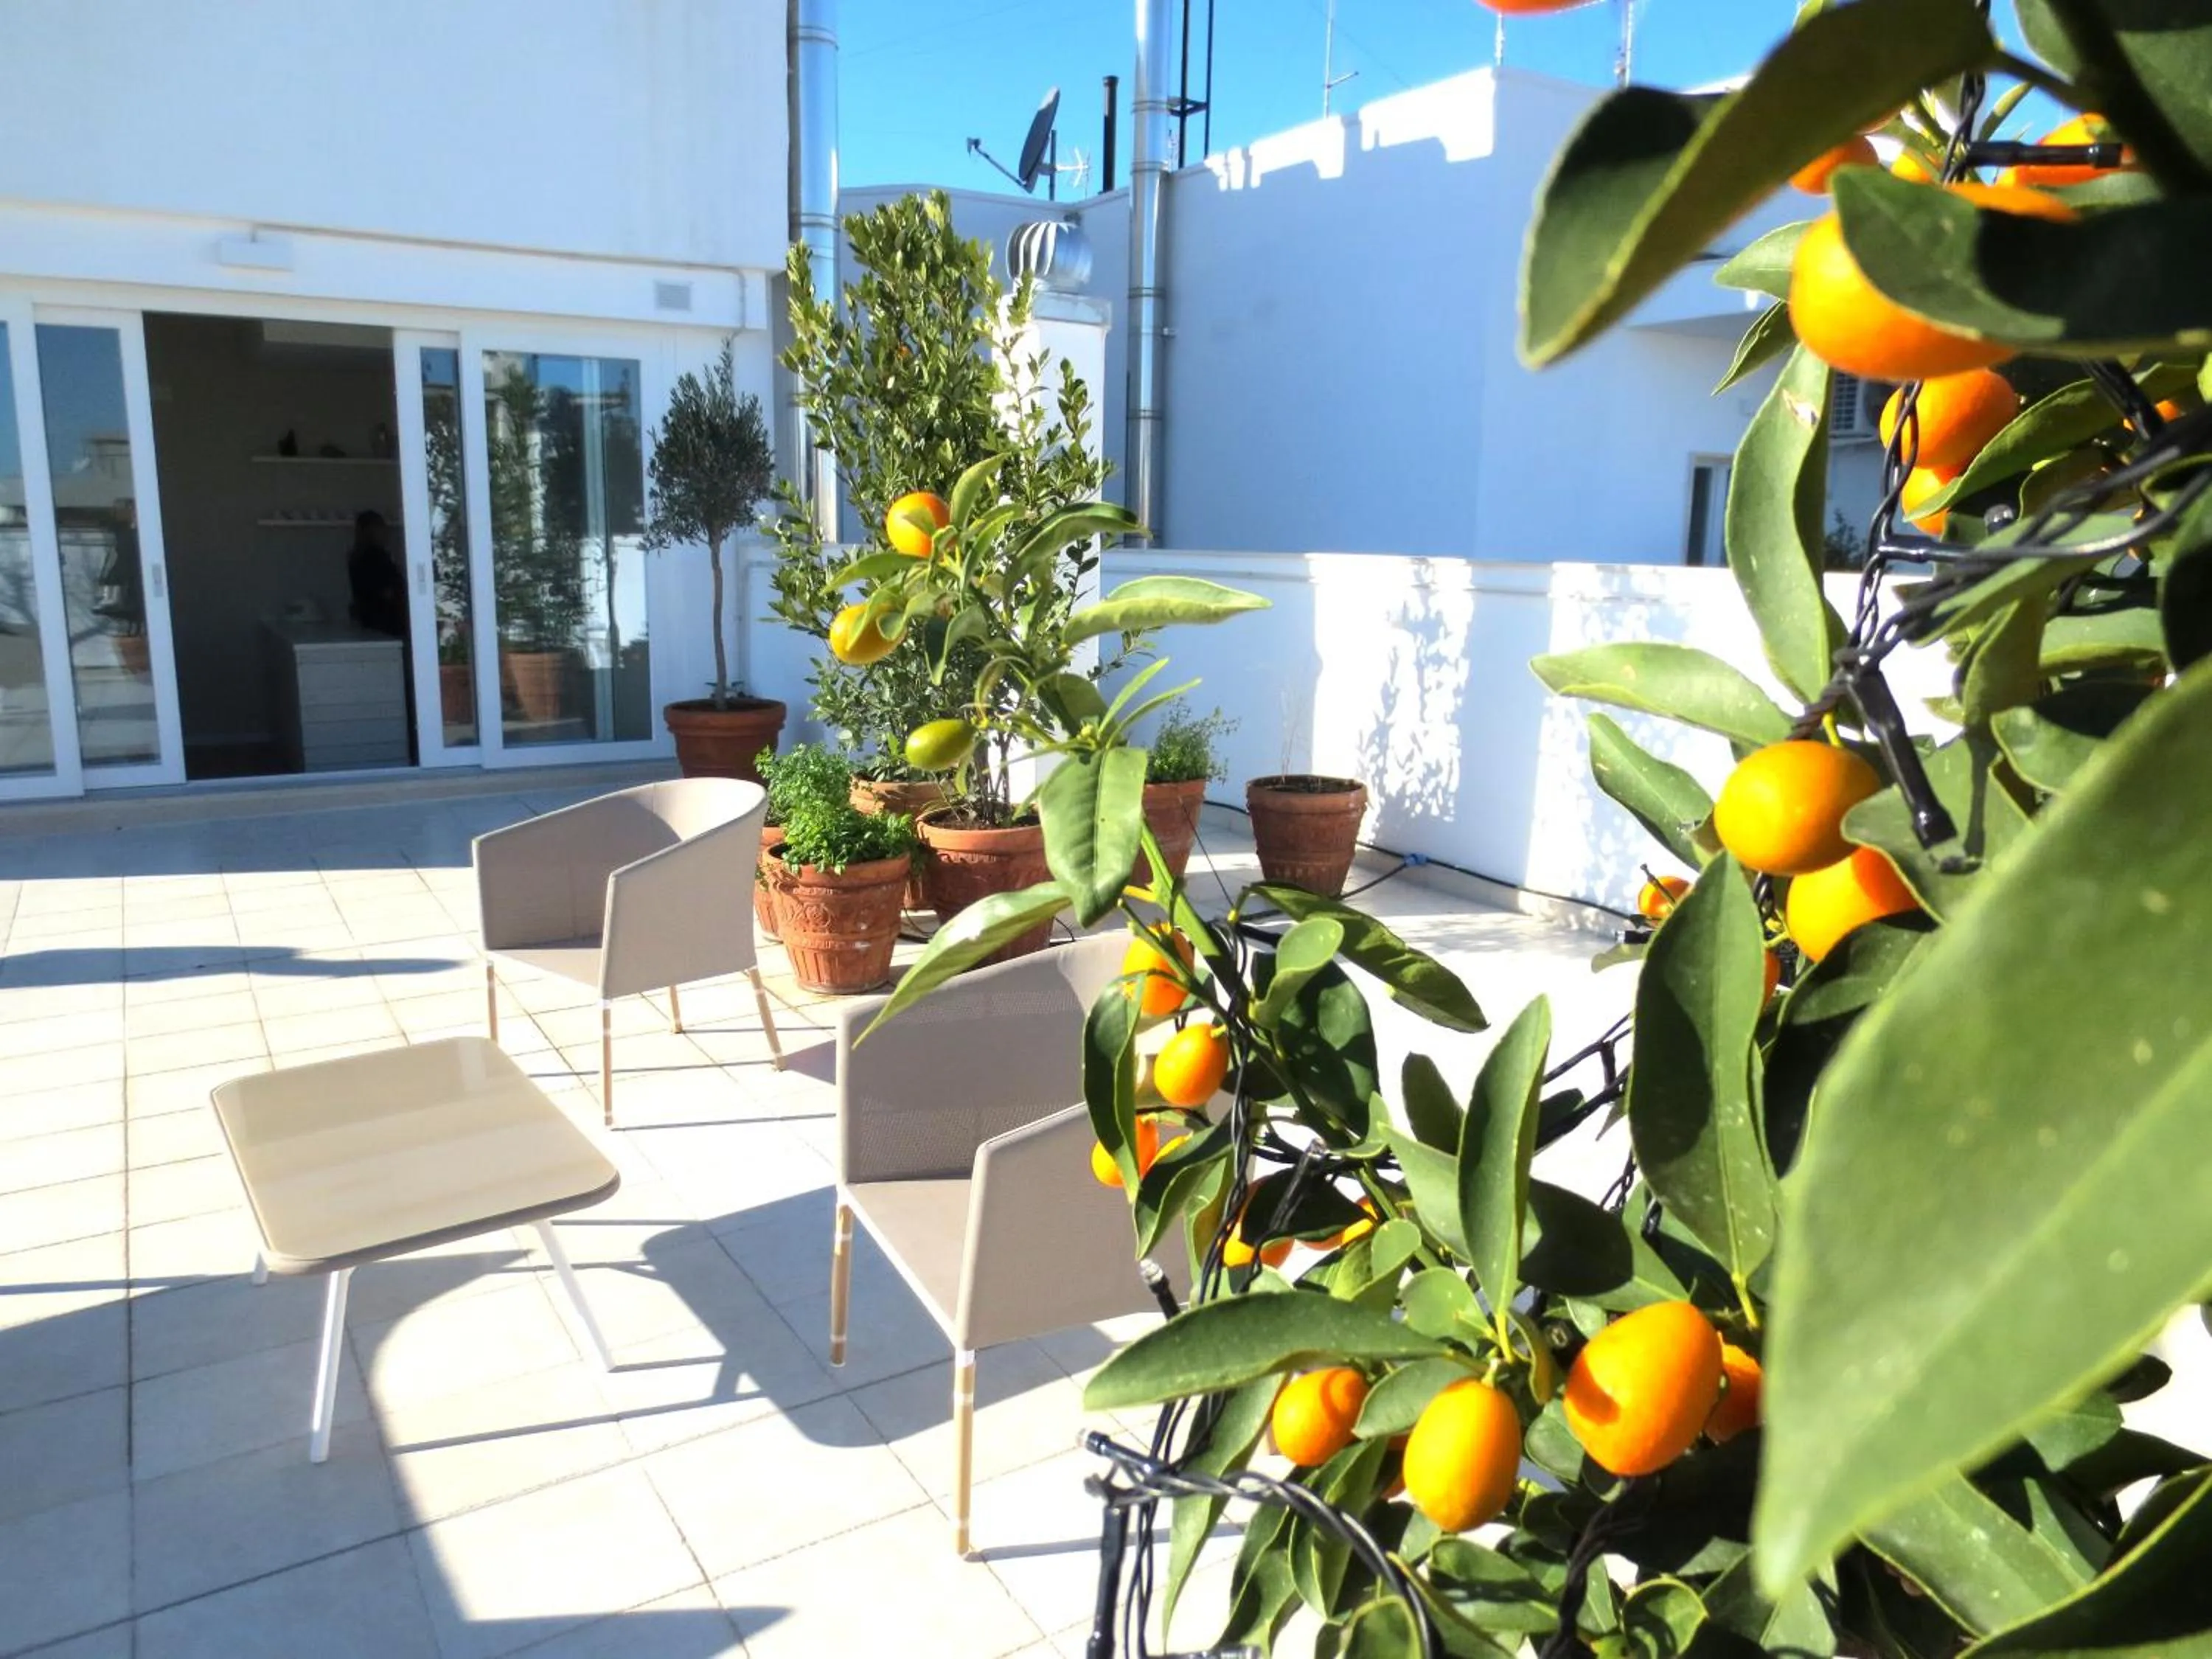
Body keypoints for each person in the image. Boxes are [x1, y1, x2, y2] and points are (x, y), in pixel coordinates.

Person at [347, 510, 406, 639]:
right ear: (372, 531)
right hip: (386, 620)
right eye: (381, 527)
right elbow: (387, 589)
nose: (386, 532)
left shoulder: (357, 556)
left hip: (369, 620)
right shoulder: (377, 556)